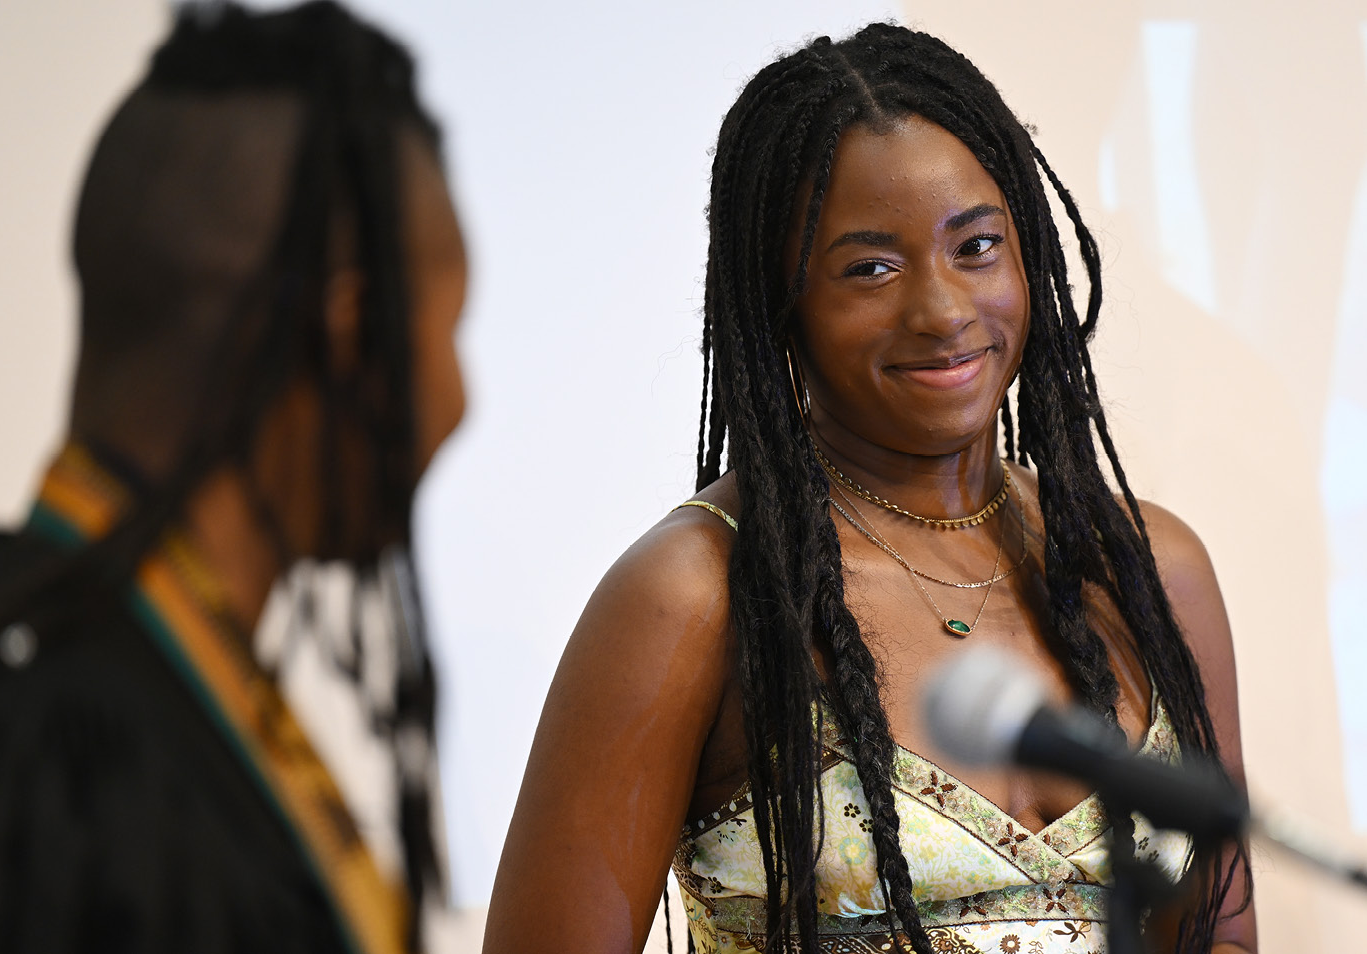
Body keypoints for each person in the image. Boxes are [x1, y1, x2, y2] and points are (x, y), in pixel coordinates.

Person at [484, 22, 1254, 954]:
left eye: (975, 246)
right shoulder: (692, 596)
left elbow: (1221, 936)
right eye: (871, 268)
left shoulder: (1148, 568)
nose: (942, 309)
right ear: (781, 302)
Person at [0, 3, 466, 952]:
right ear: (345, 344)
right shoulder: (57, 756)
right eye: (446, 335)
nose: (461, 402)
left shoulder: (51, 678)